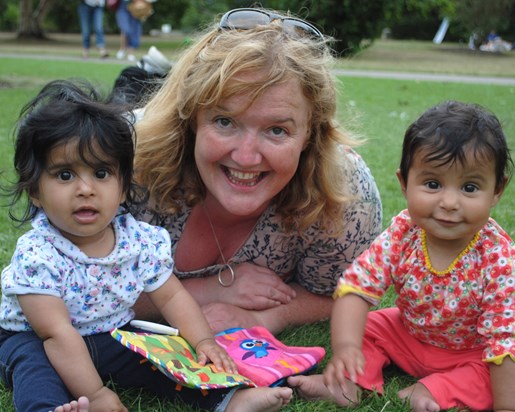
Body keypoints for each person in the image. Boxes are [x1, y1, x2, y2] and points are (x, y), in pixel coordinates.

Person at [0, 79, 293, 412]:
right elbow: (56, 333)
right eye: (65, 175)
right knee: (34, 368)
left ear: (124, 186)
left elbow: (172, 296)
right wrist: (96, 395)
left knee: (162, 355)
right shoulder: (38, 254)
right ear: (35, 192)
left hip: (111, 333)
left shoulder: (137, 240)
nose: (85, 189)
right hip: (37, 339)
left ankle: (228, 398)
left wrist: (203, 341)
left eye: (100, 173)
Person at [132, 7, 383, 335]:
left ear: (310, 132)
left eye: (277, 130)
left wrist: (268, 318)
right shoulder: (123, 160)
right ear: (192, 117)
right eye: (225, 121)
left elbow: (349, 293)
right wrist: (210, 291)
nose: (246, 157)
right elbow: (62, 282)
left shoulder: (347, 196)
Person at [288, 100, 515, 411]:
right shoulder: (403, 232)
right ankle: (349, 383)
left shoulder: (497, 257)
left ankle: (431, 391)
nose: (449, 202)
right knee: (366, 325)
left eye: (470, 187)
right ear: (404, 183)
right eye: (433, 184)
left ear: (497, 190)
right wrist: (347, 348)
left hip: (469, 353)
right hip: (407, 334)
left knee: (501, 369)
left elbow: (503, 341)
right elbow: (357, 286)